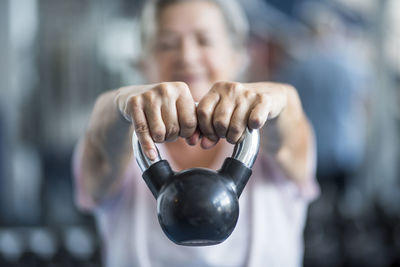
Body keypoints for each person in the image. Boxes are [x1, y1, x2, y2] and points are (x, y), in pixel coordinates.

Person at [73, 0, 319, 266]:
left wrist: (276, 99)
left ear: (238, 56)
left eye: (205, 40)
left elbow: (291, 123)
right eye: (166, 44)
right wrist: (120, 103)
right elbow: (101, 142)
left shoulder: (268, 133)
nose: (187, 56)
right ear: (143, 63)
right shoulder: (122, 139)